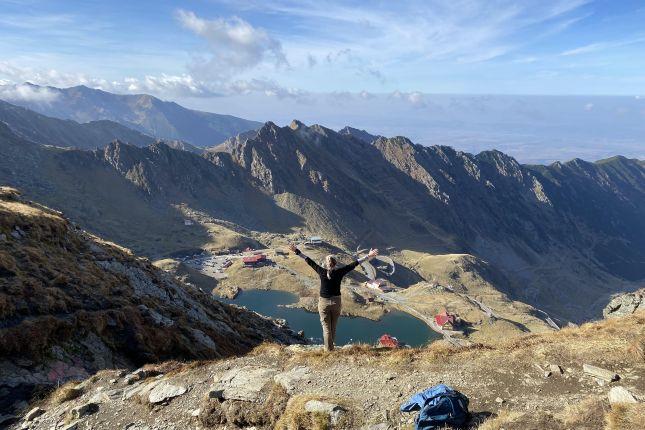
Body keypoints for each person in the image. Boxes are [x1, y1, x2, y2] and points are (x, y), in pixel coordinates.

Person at [289, 243, 378, 351]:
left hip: (324, 303)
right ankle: (331, 348)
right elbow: (355, 263)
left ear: (326, 264)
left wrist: (296, 251)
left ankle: (328, 350)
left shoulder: (321, 271)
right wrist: (368, 256)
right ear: (335, 264)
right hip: (336, 303)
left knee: (326, 329)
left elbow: (308, 260)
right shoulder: (340, 272)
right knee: (333, 327)